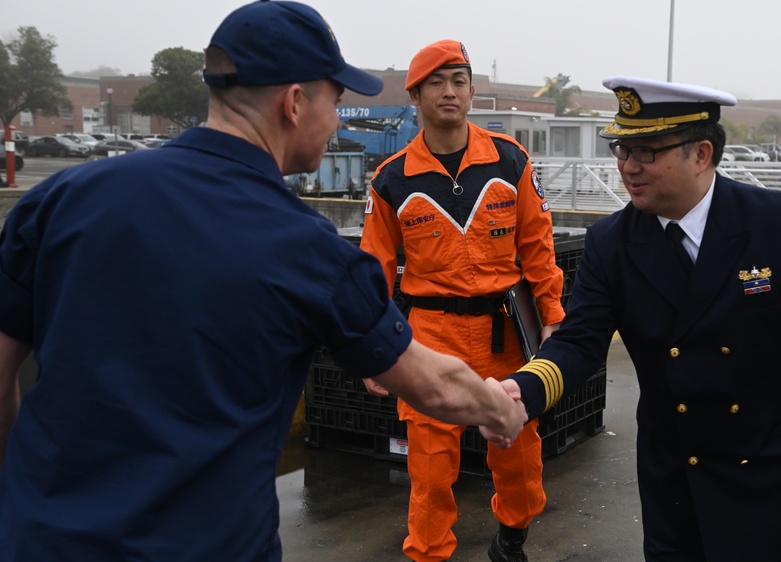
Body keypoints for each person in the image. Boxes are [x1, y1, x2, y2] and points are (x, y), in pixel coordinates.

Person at [0, 2, 527, 560]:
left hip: (38, 538)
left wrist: (27, 494)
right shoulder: (307, 250)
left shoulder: (59, 201)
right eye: (337, 102)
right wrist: (500, 410)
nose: (337, 122)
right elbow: (432, 384)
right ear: (295, 103)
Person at [491, 76, 781, 561]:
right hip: (678, 476)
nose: (628, 167)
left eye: (647, 151)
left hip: (775, 471)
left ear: (702, 154)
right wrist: (521, 391)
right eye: (622, 149)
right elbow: (579, 342)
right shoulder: (611, 244)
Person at [358, 39, 565, 562]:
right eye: (436, 82)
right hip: (430, 339)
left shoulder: (509, 160)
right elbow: (374, 270)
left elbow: (539, 247)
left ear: (472, 91)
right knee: (429, 471)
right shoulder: (392, 179)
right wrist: (372, 350)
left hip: (506, 336)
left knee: (518, 456)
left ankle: (511, 537)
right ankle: (429, 554)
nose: (449, 92)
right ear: (416, 95)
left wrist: (553, 320)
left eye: (459, 81)